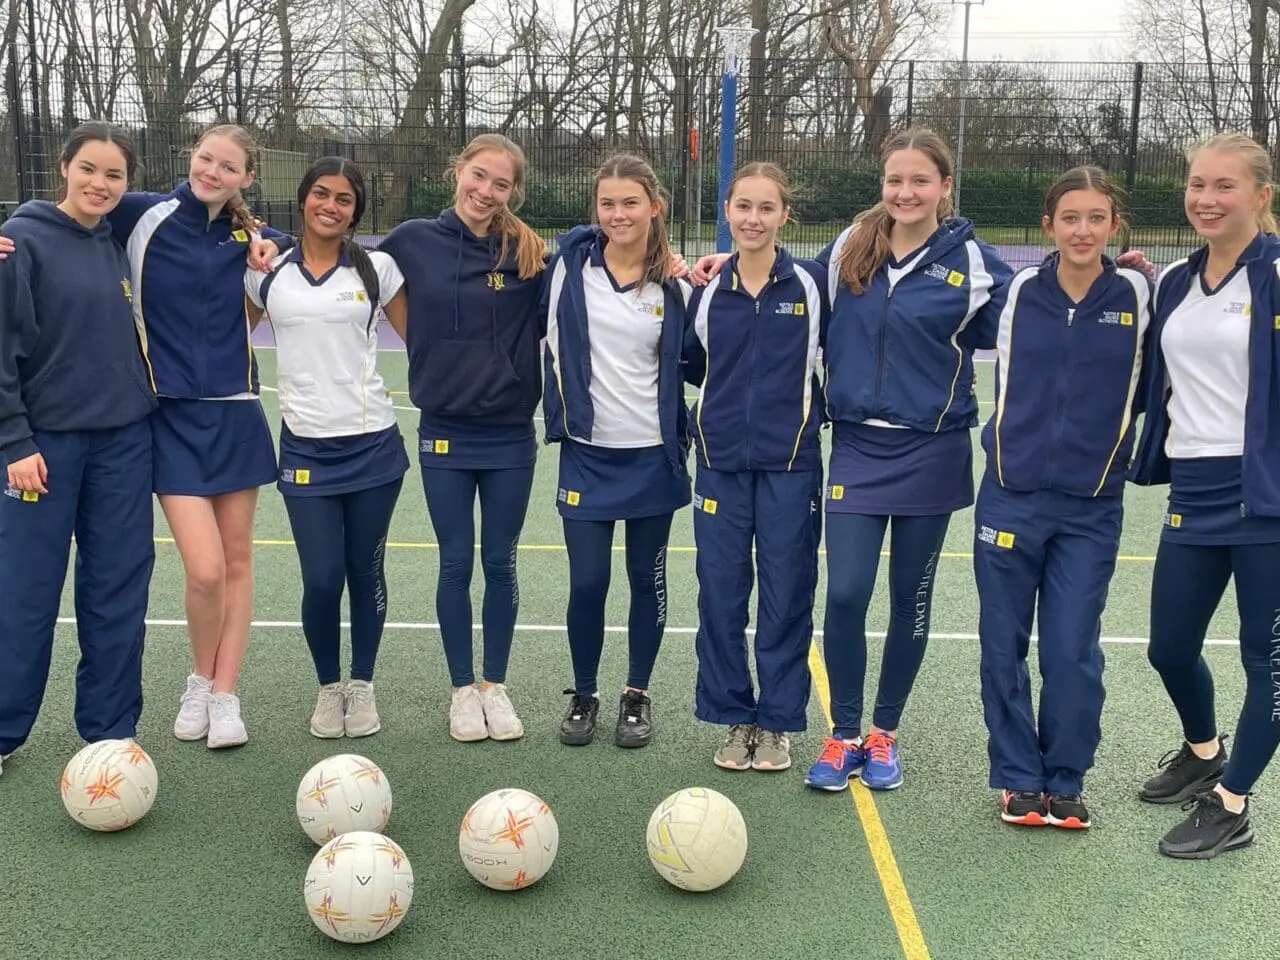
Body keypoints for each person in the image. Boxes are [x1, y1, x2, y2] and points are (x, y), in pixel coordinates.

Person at [974, 167, 1151, 829]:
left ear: (1114, 225)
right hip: (1011, 496)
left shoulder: (1140, 294)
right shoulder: (1016, 290)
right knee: (1001, 645)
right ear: (1048, 226)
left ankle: (1066, 779)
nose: (1083, 230)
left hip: (1090, 505)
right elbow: (930, 270)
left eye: (1096, 218)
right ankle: (1020, 778)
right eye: (1069, 217)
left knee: (1073, 649)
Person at [1129, 131, 1280, 860]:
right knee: (1168, 647)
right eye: (1197, 185)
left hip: (1267, 500)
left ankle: (1232, 803)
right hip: (1193, 488)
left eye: (1225, 186)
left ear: (1261, 196)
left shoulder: (1277, 274)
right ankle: (1203, 749)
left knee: (1268, 662)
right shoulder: (1173, 282)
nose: (1207, 199)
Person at [376, 134, 547, 743]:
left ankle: (494, 688)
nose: (486, 192)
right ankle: (460, 689)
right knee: (455, 562)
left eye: (500, 184)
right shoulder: (411, 241)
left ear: (513, 192)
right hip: (445, 433)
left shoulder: (526, 253)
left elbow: (595, 264)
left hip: (508, 436)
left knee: (499, 562)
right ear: (458, 171)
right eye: (478, 177)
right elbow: (337, 257)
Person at [0, 122, 158, 775]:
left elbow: (196, 198)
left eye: (114, 175)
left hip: (124, 445)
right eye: (88, 169)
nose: (100, 183)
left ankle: (110, 732)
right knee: (25, 591)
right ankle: (5, 731)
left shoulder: (115, 241)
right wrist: (14, 440)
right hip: (42, 453)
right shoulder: (21, 242)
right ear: (64, 167)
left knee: (118, 589)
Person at [245, 158, 409, 739]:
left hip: (374, 448)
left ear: (356, 210)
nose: (331, 206)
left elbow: (425, 343)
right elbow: (225, 338)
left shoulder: (378, 269)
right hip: (306, 449)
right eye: (321, 194)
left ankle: (361, 684)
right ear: (304, 198)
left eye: (344, 199)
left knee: (365, 569)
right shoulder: (265, 270)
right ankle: (327, 686)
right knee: (320, 578)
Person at [543, 153, 692, 749]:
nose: (618, 214)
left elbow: (704, 359)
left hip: (654, 455)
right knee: (587, 582)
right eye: (607, 203)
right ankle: (585, 692)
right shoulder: (569, 267)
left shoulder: (676, 285)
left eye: (631, 202)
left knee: (645, 578)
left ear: (654, 206)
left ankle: (637, 695)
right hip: (587, 452)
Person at [682, 162, 826, 772]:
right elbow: (693, 365)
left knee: (786, 596)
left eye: (766, 208)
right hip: (719, 466)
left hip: (791, 466)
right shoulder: (707, 288)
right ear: (728, 212)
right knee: (720, 596)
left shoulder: (813, 285)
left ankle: (777, 722)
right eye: (743, 206)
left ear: (784, 216)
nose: (753, 219)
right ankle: (735, 716)